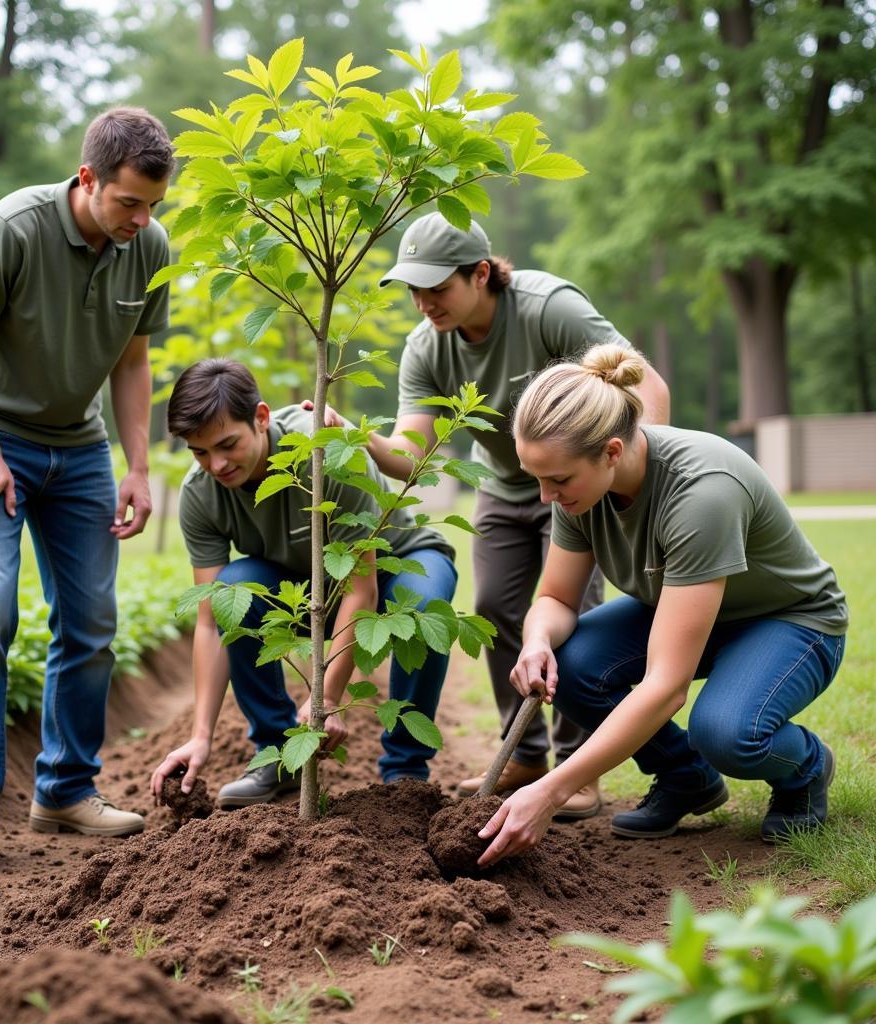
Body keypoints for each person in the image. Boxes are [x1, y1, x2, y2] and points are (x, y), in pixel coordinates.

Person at [315, 213, 670, 817]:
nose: (424, 303)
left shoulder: (547, 308)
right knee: (497, 610)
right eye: (414, 290)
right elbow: (412, 457)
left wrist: (631, 477)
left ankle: (576, 766)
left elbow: (646, 386)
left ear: (481, 273)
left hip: (579, 486)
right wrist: (358, 437)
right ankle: (525, 752)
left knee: (575, 618)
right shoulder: (426, 346)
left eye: (438, 287)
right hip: (506, 488)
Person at [476, 344, 848, 866]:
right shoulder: (577, 487)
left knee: (726, 732)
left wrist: (552, 790)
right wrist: (537, 640)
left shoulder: (702, 491)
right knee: (574, 664)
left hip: (791, 621)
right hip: (690, 609)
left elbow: (665, 686)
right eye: (535, 478)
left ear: (610, 451)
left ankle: (805, 768)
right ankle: (686, 778)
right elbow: (557, 597)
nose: (544, 497)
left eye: (556, 481)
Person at [0, 107, 175, 883]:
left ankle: (65, 791)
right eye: (128, 202)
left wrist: (136, 466)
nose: (142, 220)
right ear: (88, 179)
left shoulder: (148, 246)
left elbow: (133, 364)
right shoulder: (12, 229)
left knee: (93, 619)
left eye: (154, 206)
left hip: (77, 449)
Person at [150, 359, 458, 807]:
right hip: (306, 585)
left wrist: (325, 698)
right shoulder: (200, 495)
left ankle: (405, 774)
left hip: (397, 563)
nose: (215, 465)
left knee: (424, 607)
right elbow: (208, 622)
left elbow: (359, 590)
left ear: (261, 417)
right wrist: (201, 736)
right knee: (231, 590)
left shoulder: (326, 455)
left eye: (227, 445)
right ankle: (280, 759)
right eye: (199, 452)